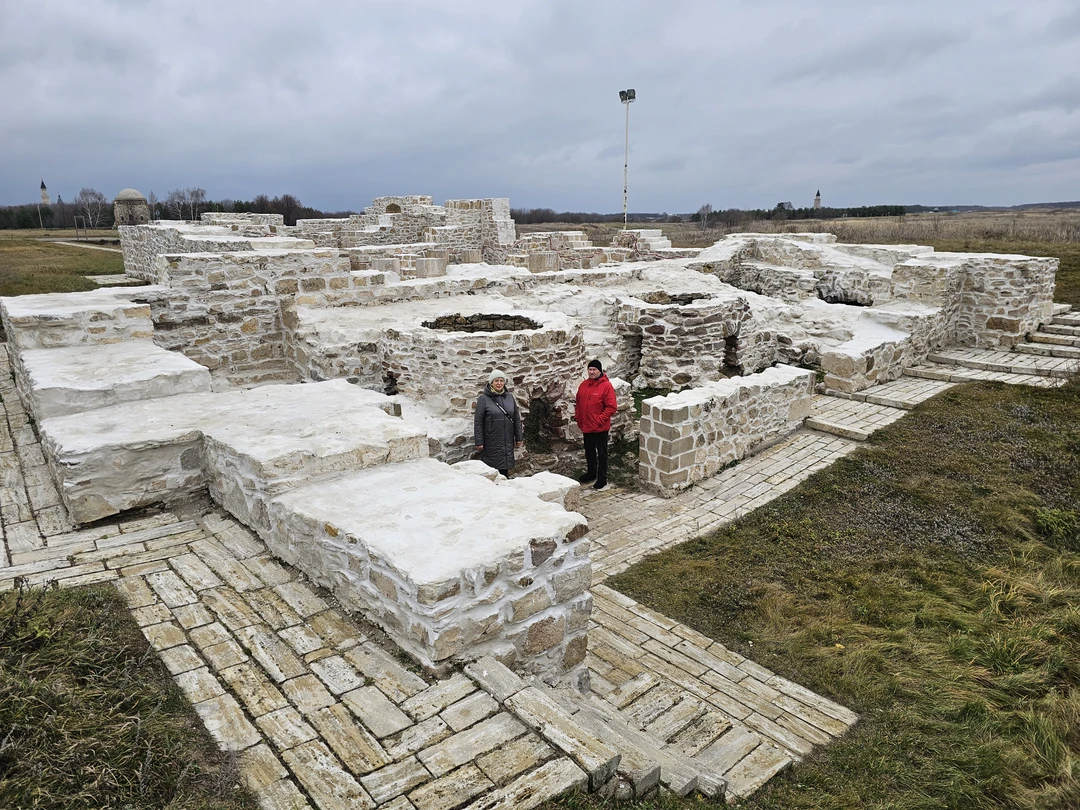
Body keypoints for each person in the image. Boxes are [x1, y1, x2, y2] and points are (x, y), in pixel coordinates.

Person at [574, 358, 617, 490]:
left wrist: (599, 420)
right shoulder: (584, 385)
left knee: (602, 453)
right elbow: (578, 402)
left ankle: (602, 478)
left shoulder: (606, 386)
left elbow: (611, 407)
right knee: (589, 451)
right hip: (586, 426)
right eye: (590, 369)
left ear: (600, 371)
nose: (592, 372)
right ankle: (591, 473)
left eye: (594, 370)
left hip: (599, 427)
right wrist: (578, 416)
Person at [474, 370, 524, 477]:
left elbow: (516, 418)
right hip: (491, 441)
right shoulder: (484, 399)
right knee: (492, 468)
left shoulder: (510, 397)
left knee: (504, 467)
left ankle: (504, 486)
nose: (499, 383)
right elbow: (478, 422)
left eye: (501, 380)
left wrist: (519, 438)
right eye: (496, 380)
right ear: (491, 382)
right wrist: (479, 441)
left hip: (507, 440)